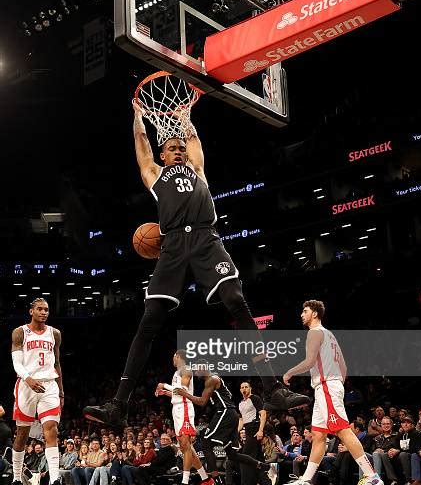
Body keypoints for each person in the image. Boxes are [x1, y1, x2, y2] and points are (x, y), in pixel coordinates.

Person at [83, 101, 309, 429]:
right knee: (149, 321)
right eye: (171, 148)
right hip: (172, 245)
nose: (178, 151)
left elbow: (194, 143)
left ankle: (272, 388)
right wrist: (137, 119)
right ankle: (119, 404)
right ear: (163, 155)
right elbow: (142, 148)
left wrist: (185, 119)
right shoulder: (155, 175)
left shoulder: (198, 169)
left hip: (206, 240)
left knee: (236, 300)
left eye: (180, 147)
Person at [281, 300, 383, 485]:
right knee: (318, 435)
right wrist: (336, 384)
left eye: (305, 311)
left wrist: (289, 372)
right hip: (328, 387)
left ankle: (371, 476)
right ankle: (305, 480)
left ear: (315, 314)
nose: (302, 314)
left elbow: (310, 361)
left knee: (343, 431)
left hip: (326, 386)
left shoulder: (315, 332)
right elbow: (344, 368)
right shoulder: (331, 335)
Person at [173, 366, 277, 485]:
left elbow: (201, 402)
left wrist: (184, 394)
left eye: (198, 370)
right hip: (231, 415)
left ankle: (218, 484)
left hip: (225, 412)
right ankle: (266, 467)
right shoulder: (214, 379)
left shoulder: (211, 380)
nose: (196, 373)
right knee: (232, 454)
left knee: (205, 442)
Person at [9, 298, 70, 485]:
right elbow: (17, 363)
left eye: (46, 310)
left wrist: (61, 391)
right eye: (40, 309)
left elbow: (58, 363)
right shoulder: (20, 332)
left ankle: (54, 482)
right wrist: (28, 379)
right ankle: (17, 480)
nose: (44, 312)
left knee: (51, 429)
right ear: (31, 311)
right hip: (26, 386)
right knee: (22, 435)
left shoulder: (55, 333)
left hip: (49, 385)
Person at [155, 350, 211, 485]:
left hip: (185, 408)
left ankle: (184, 484)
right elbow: (176, 393)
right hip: (177, 409)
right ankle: (206, 480)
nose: (172, 359)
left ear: (178, 356)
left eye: (173, 356)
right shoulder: (177, 372)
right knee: (185, 446)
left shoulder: (186, 369)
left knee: (185, 446)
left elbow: (183, 390)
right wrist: (165, 393)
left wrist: (164, 385)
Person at [237, 382, 269, 485]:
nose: (244, 389)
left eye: (246, 387)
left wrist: (261, 430)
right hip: (247, 428)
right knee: (257, 457)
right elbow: (241, 419)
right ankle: (265, 482)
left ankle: (248, 484)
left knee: (246, 457)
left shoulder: (254, 398)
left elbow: (263, 413)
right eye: (242, 387)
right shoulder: (241, 403)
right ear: (240, 390)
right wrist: (236, 432)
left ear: (250, 388)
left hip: (255, 427)